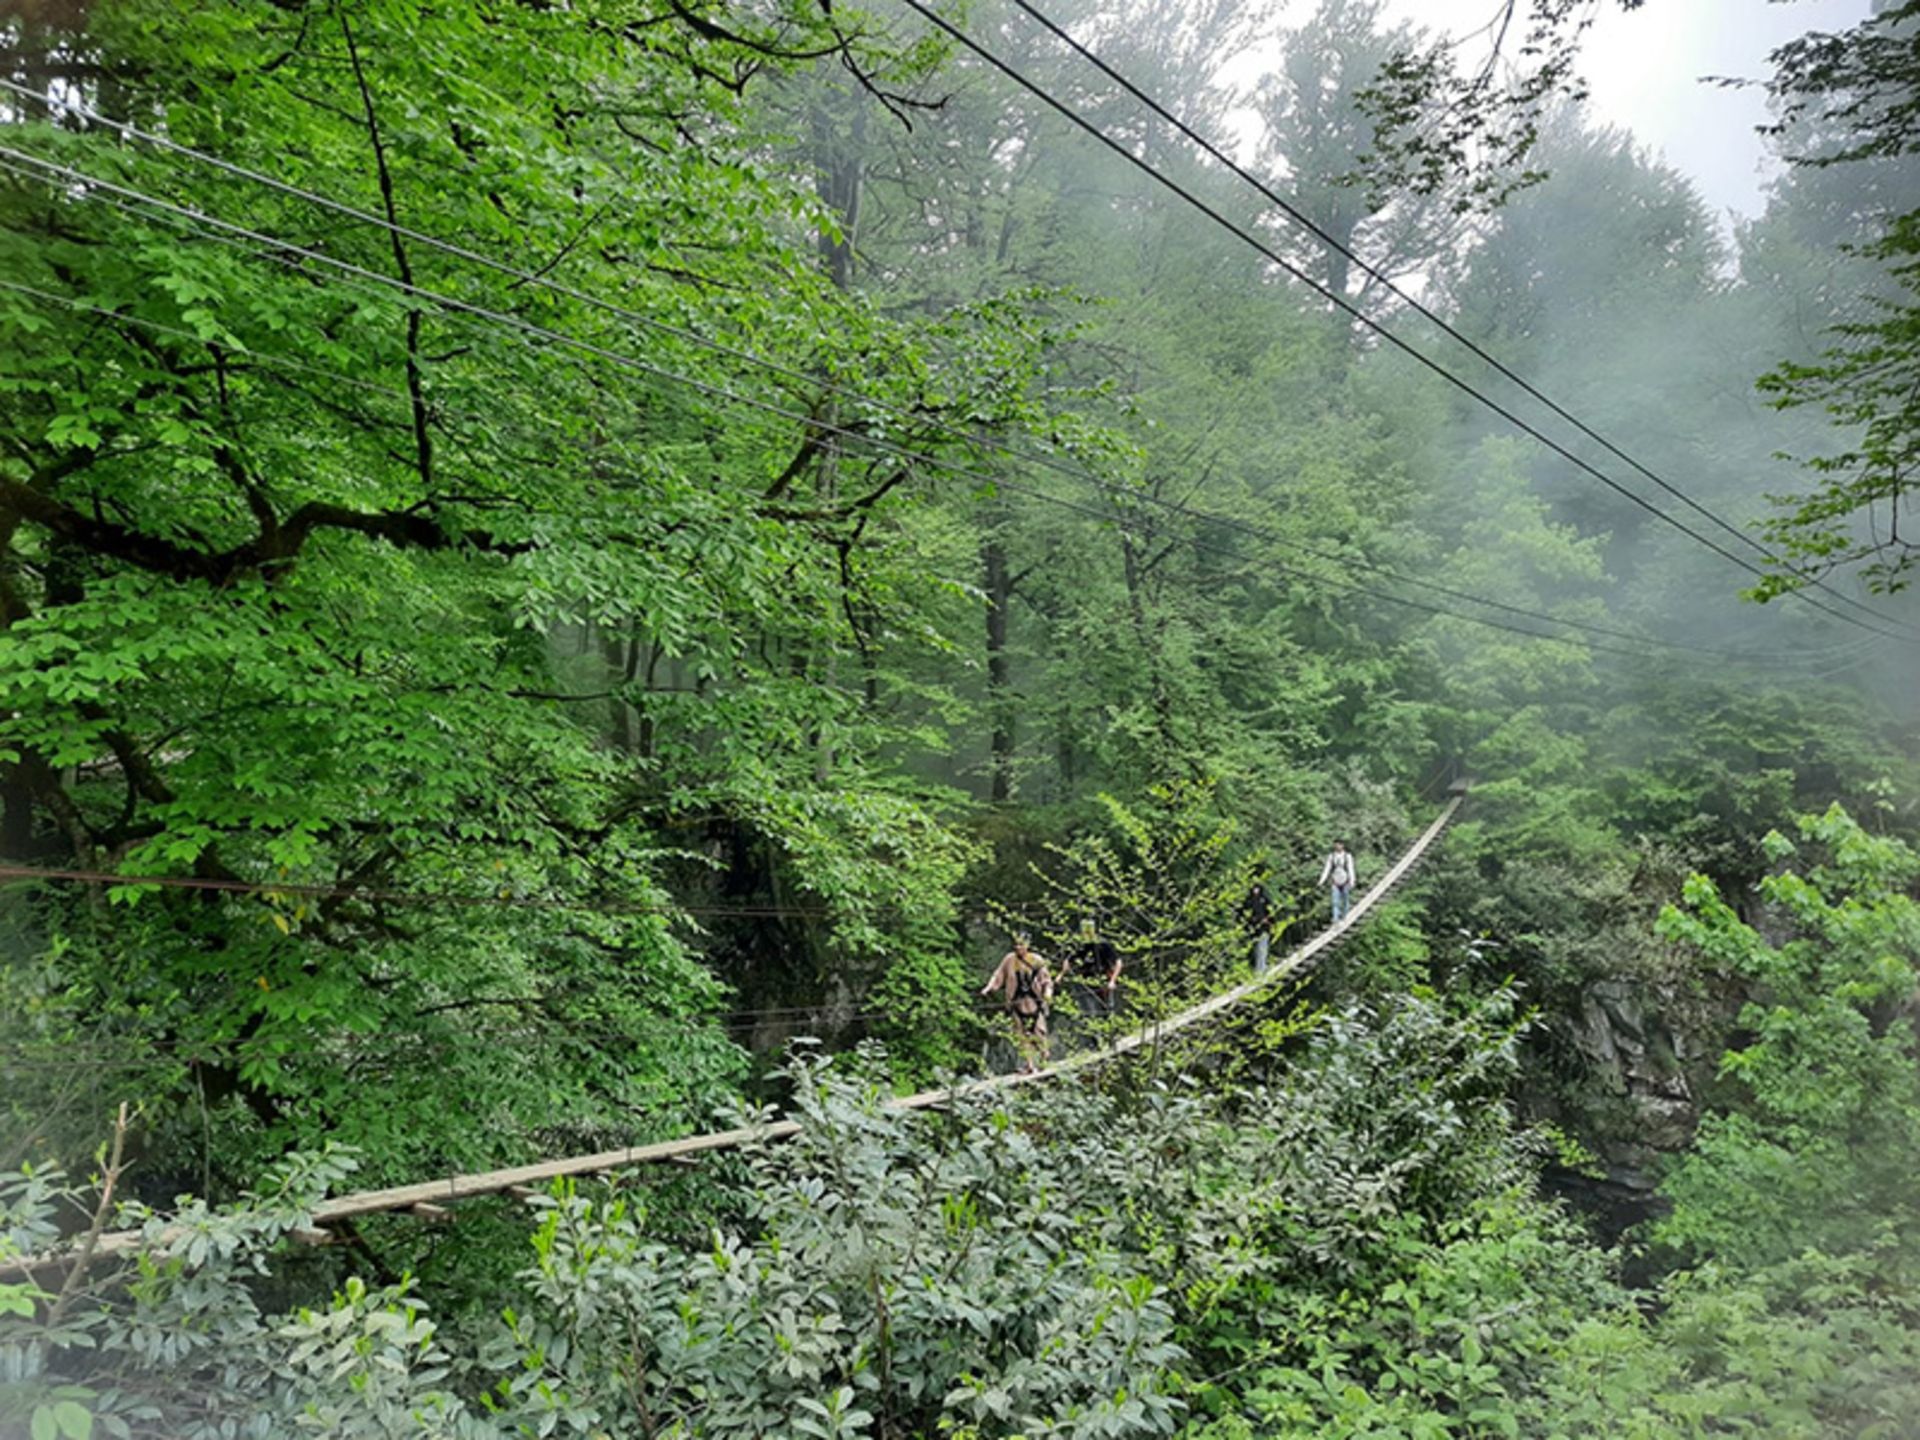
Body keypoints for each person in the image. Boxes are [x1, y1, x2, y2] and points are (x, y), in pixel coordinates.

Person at [981, 933, 1053, 1074]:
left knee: (1038, 1032)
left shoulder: (1036, 960)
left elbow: (1046, 980)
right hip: (1016, 1004)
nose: (1018, 947)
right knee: (1021, 1035)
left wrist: (1047, 994)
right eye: (1016, 944)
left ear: (1027, 945)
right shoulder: (1009, 960)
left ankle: (1044, 1058)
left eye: (1021, 944)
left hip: (1034, 1003)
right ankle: (1030, 1065)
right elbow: (998, 975)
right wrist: (988, 988)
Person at [1060, 917, 1122, 1021]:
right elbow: (1068, 961)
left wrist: (1112, 981)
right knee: (1089, 1011)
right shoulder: (1079, 945)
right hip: (1085, 982)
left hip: (1103, 980)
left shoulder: (1103, 944)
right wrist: (1061, 975)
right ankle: (1092, 1027)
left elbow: (1118, 962)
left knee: (1108, 1009)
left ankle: (1109, 1025)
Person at [1239, 882, 1274, 973]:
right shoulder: (1248, 901)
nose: (1256, 890)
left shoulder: (1264, 899)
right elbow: (1243, 914)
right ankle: (1258, 969)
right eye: (1254, 888)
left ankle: (1261, 968)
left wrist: (1269, 922)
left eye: (1257, 888)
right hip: (1253, 929)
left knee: (1263, 948)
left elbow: (1270, 912)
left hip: (1264, 928)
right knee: (1255, 949)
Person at [1319, 841, 1357, 923]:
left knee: (1345, 900)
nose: (1337, 846)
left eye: (1339, 844)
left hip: (1345, 881)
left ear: (1343, 845)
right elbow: (1327, 869)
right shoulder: (1331, 856)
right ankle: (1336, 919)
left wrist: (1352, 881)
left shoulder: (1347, 856)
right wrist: (1322, 880)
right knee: (1335, 901)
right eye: (1336, 844)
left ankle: (1345, 917)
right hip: (1335, 882)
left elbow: (1350, 869)